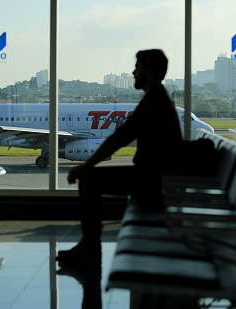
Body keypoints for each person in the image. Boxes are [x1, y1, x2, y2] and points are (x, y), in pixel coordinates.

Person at [56, 49, 183, 265]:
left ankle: (90, 248)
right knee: (92, 179)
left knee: (89, 180)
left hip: (153, 178)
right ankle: (90, 246)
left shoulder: (153, 102)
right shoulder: (159, 98)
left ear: (150, 71)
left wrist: (84, 167)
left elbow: (118, 139)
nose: (133, 73)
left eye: (137, 67)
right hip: (157, 176)